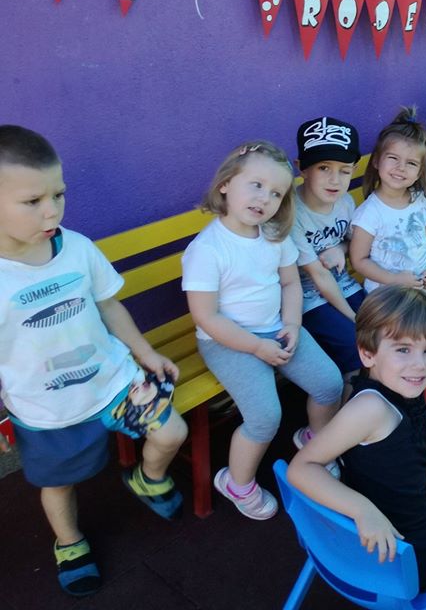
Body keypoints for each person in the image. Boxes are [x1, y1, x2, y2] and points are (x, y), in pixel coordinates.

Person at [0, 125, 188, 596]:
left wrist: (145, 353)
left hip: (113, 381)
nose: (53, 210)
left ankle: (148, 479)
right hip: (46, 409)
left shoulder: (78, 248)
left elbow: (109, 305)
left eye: (58, 194)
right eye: (33, 201)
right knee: (59, 485)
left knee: (172, 432)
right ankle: (70, 542)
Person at [287, 285, 426, 605]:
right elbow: (300, 468)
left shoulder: (375, 389)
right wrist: (363, 510)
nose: (419, 364)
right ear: (368, 353)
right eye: (403, 349)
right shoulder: (371, 409)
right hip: (417, 556)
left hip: (369, 541)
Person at [183, 141, 343, 520]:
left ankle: (315, 443)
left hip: (277, 329)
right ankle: (237, 483)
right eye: (256, 185)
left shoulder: (273, 235)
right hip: (227, 341)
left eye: (276, 193)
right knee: (265, 417)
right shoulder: (207, 249)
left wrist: (292, 324)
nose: (264, 199)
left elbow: (290, 283)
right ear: (225, 184)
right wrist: (256, 347)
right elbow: (207, 317)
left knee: (330, 384)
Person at [293, 117, 367, 378]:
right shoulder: (291, 213)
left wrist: (341, 248)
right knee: (354, 343)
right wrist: (355, 319)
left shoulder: (344, 202)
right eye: (323, 167)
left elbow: (355, 241)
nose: (334, 180)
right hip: (307, 299)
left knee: (385, 327)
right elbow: (318, 275)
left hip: (343, 285)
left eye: (344, 170)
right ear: (302, 168)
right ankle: (349, 395)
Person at [349, 109, 426, 294]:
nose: (401, 168)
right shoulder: (369, 213)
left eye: (411, 163)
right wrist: (394, 280)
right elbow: (359, 260)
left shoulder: (420, 200)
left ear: (420, 172)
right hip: (386, 298)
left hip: (419, 292)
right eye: (393, 158)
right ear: (377, 161)